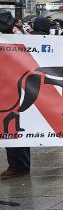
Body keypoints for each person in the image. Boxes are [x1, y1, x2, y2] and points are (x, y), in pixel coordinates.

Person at [0, 11, 31, 180]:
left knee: (11, 125)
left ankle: (19, 165)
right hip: (12, 85)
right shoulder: (18, 38)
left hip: (10, 87)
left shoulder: (10, 41)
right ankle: (20, 164)